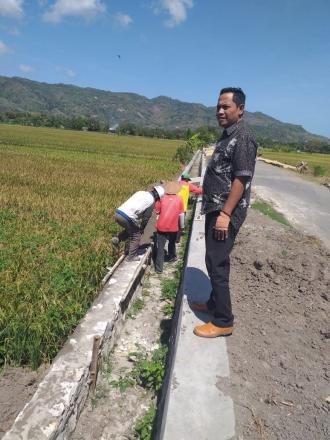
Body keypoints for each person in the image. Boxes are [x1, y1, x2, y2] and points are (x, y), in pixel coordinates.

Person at [191, 87, 258, 338]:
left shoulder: (243, 138)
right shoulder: (227, 135)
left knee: (217, 263)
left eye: (226, 107)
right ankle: (213, 304)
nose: (220, 111)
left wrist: (226, 214)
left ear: (240, 109)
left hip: (225, 212)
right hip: (215, 207)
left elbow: (241, 179)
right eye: (218, 106)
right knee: (212, 259)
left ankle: (223, 320)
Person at [112, 185, 165, 261]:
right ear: (157, 196)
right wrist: (142, 229)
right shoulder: (151, 201)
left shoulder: (140, 192)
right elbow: (146, 218)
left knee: (132, 229)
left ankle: (117, 239)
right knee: (137, 235)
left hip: (118, 213)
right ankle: (131, 257)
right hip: (127, 217)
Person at [154, 181, 184, 274]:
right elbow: (181, 214)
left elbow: (157, 211)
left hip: (161, 226)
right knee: (171, 243)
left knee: (160, 247)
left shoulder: (161, 199)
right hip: (173, 227)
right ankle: (171, 257)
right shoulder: (180, 199)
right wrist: (182, 227)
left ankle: (159, 269)